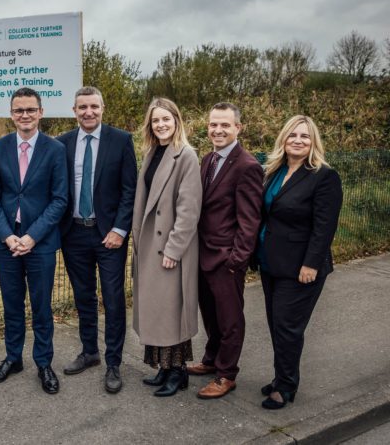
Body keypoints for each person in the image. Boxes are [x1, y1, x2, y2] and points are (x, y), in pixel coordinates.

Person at [254, 115, 342, 409]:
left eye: (305, 136)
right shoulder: (275, 171)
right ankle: (281, 377)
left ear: (313, 142)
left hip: (301, 267)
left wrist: (311, 265)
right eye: (293, 135)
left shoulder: (323, 176)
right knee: (276, 324)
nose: (298, 141)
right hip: (271, 262)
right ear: (284, 139)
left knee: (288, 327)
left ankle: (286, 387)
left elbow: (324, 226)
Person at [0, 87, 68, 394]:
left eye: (30, 110)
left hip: (40, 242)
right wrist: (8, 236)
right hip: (6, 243)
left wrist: (31, 237)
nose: (25, 115)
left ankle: (44, 363)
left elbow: (60, 200)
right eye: (19, 110)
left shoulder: (55, 149)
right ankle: (12, 358)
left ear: (41, 112)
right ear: (11, 114)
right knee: (11, 304)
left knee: (41, 305)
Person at [57, 86, 137, 394]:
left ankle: (113, 362)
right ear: (74, 110)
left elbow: (130, 190)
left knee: (114, 299)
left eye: (93, 106)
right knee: (83, 297)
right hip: (74, 233)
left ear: (103, 108)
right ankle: (89, 351)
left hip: (109, 236)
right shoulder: (61, 143)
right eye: (82, 107)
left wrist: (119, 229)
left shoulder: (121, 141)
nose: (88, 112)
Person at [188, 102, 263, 399]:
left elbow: (249, 220)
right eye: (213, 125)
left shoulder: (247, 166)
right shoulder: (208, 159)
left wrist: (236, 261)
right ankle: (211, 360)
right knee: (211, 315)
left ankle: (226, 373)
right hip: (202, 254)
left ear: (237, 128)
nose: (217, 130)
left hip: (226, 259)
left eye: (224, 125)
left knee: (230, 319)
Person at [132, 98, 202, 397]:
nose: (160, 125)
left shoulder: (186, 156)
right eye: (155, 120)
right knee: (157, 311)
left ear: (177, 120)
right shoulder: (152, 153)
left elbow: (189, 210)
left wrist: (174, 249)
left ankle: (178, 371)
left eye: (166, 119)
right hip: (149, 246)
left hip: (169, 247)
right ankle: (163, 367)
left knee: (171, 311)